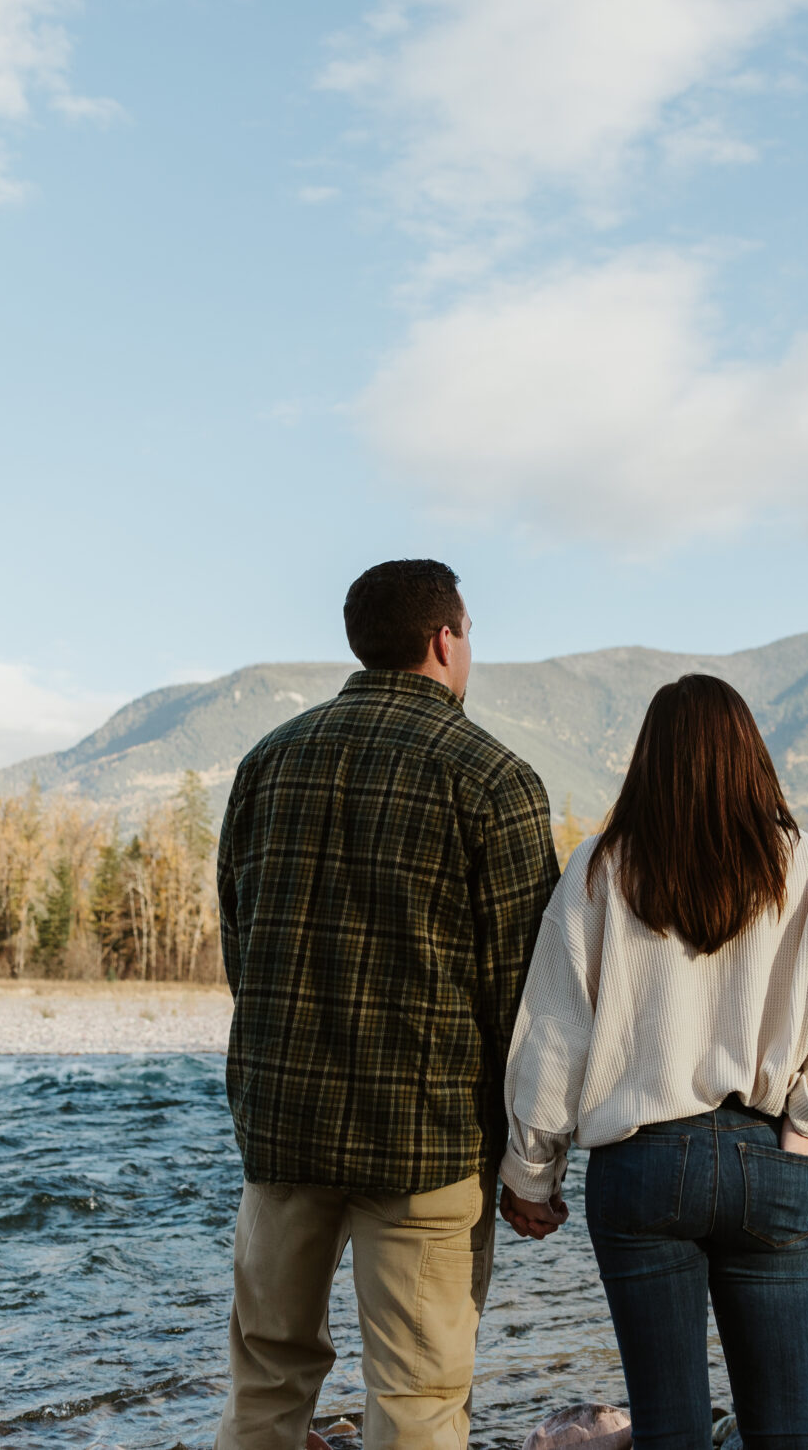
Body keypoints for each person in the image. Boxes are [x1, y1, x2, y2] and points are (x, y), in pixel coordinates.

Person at [498, 674, 808, 1450]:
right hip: (770, 1157)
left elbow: (556, 1033)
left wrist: (531, 1176)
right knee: (787, 1428)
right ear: (750, 757)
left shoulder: (598, 869)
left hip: (640, 1166)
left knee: (670, 1430)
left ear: (649, 760)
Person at [213, 559, 562, 1450]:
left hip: (282, 1128)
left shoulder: (266, 763)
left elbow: (242, 949)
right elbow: (528, 998)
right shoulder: (495, 778)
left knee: (265, 1377)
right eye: (470, 632)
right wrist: (533, 1167)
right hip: (427, 1144)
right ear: (445, 639)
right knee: (418, 1398)